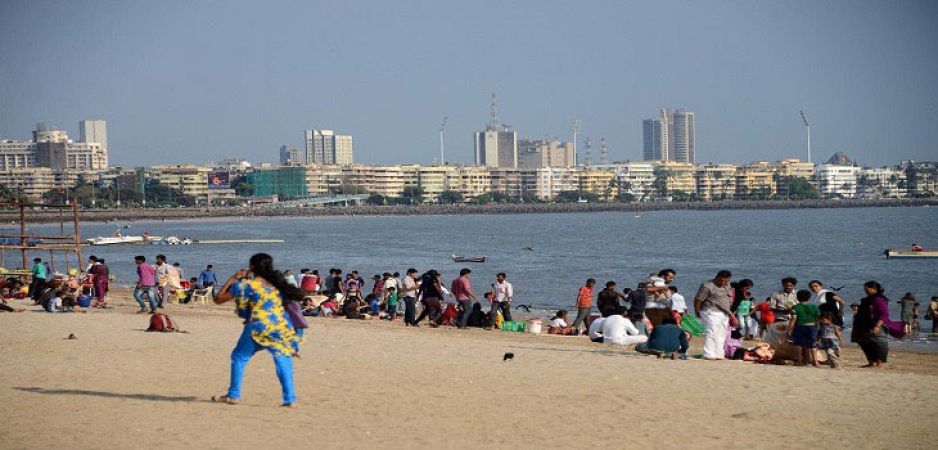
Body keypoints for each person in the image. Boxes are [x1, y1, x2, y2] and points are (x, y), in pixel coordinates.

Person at [212, 253, 301, 407]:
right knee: (283, 359)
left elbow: (218, 299)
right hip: (280, 326)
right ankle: (290, 399)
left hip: (257, 325)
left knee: (239, 357)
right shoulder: (279, 285)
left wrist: (233, 279)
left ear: (252, 267)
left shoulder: (247, 285)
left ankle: (233, 395)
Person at [852, 281, 905, 368]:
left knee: (879, 343)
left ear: (874, 289)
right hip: (864, 324)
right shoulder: (867, 299)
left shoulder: (879, 299)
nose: (865, 290)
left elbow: (884, 314)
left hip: (877, 324)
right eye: (864, 289)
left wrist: (877, 325)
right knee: (864, 342)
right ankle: (871, 362)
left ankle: (879, 363)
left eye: (866, 288)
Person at [693, 270, 737, 360]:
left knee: (722, 334)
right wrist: (697, 312)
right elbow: (698, 300)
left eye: (726, 281)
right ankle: (709, 354)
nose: (723, 283)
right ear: (717, 277)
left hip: (724, 313)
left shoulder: (727, 285)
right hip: (710, 311)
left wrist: (731, 314)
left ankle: (719, 354)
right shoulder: (707, 286)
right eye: (721, 280)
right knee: (712, 332)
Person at [787, 290, 821, 367]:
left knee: (799, 344)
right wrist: (816, 326)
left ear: (797, 298)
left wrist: (789, 330)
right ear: (809, 298)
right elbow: (818, 317)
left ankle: (799, 361)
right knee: (812, 345)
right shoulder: (814, 306)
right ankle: (815, 362)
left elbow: (793, 319)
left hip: (800, 326)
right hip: (812, 327)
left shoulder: (795, 307)